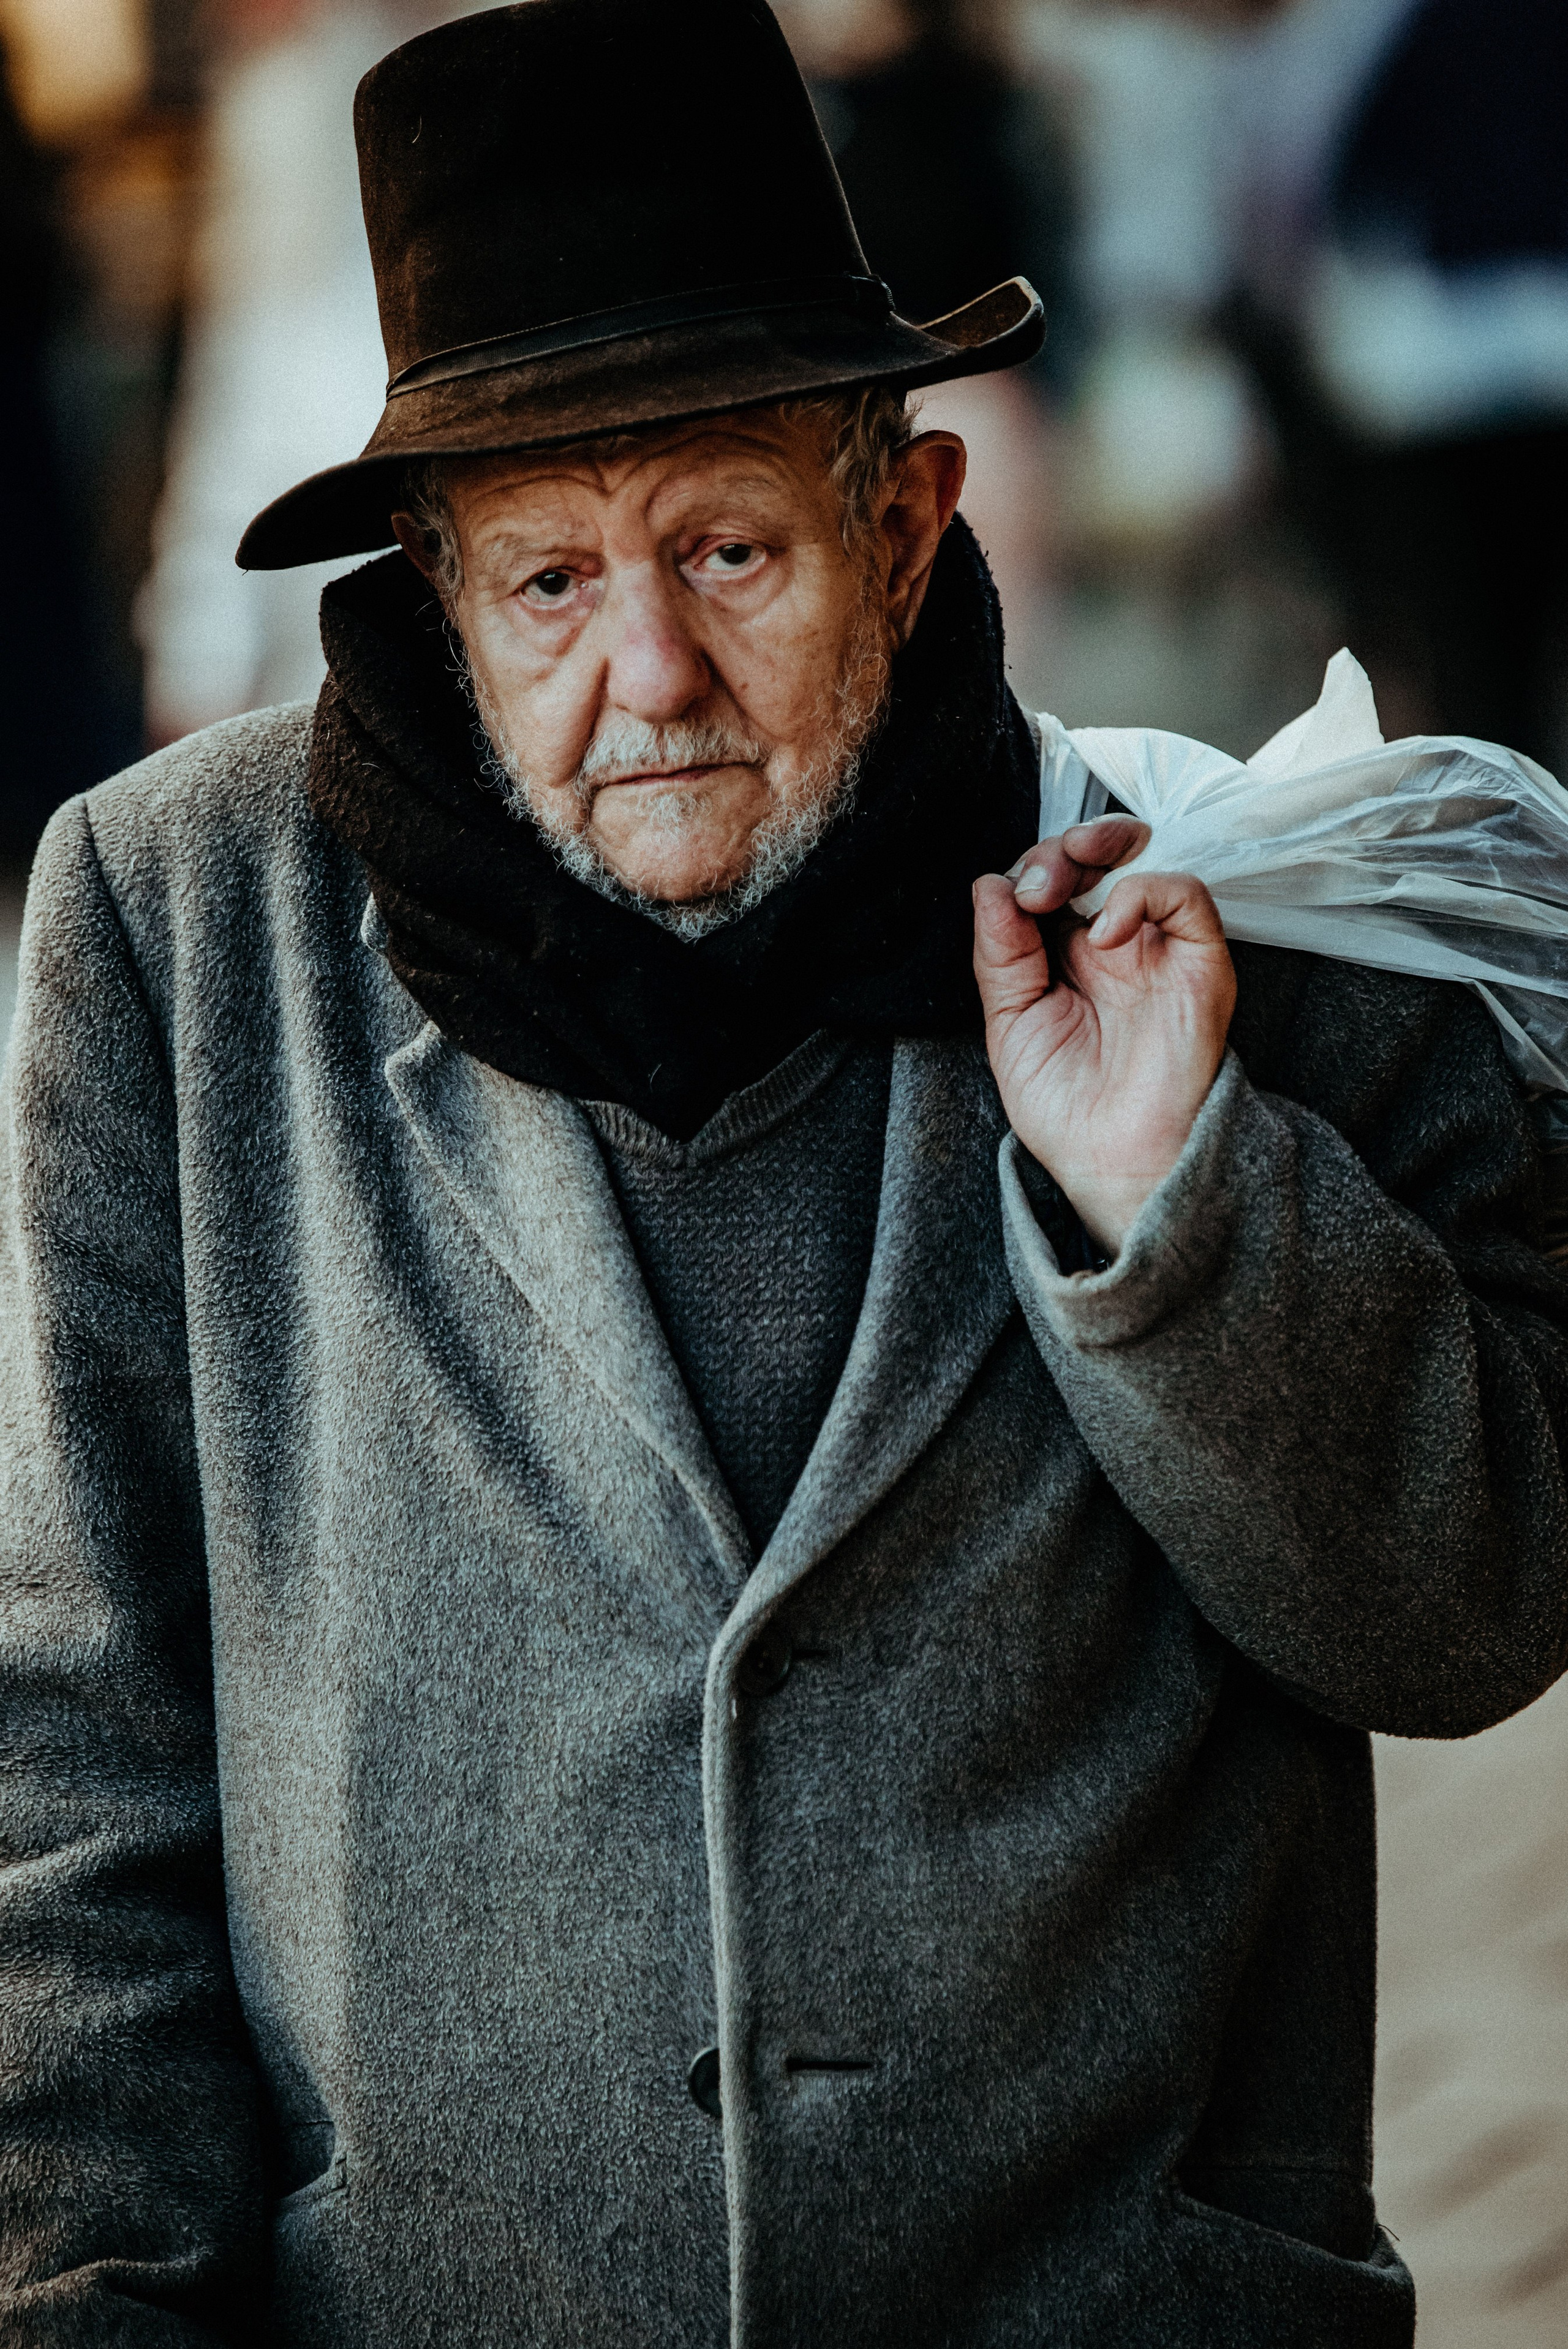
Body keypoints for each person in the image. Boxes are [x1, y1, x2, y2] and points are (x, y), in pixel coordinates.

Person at [0, 4, 1564, 2344]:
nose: (650, 671)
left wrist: (1176, 1205)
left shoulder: (1208, 906)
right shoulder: (173, 930)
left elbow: (1467, 1624)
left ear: (904, 525)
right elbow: (72, 1761)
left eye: (729, 547)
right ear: (435, 582)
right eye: (547, 581)